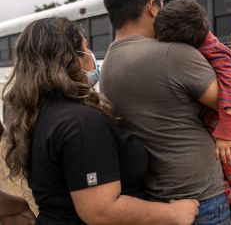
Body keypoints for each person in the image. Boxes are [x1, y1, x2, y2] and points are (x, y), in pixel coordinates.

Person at [1, 17, 198, 225]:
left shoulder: (40, 113)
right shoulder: (79, 122)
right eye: (87, 49)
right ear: (71, 58)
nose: (92, 57)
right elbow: (101, 210)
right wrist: (175, 213)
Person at [100, 0, 231, 224]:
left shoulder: (107, 68)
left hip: (156, 201)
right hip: (201, 199)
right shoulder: (174, 54)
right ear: (152, 7)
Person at [154, 0, 231, 225]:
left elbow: (230, 91)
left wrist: (225, 134)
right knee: (222, 171)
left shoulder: (216, 51)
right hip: (208, 123)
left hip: (220, 125)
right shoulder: (197, 44)